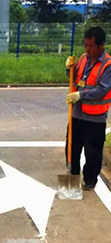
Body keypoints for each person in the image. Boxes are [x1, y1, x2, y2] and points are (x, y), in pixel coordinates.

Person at [65, 26, 111, 190]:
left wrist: (81, 95)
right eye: (85, 45)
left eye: (91, 46)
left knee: (92, 153)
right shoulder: (84, 58)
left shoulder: (108, 65)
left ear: (101, 45)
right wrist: (69, 68)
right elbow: (74, 78)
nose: (87, 49)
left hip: (95, 117)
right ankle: (72, 176)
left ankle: (90, 180)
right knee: (72, 147)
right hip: (77, 114)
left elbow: (102, 89)